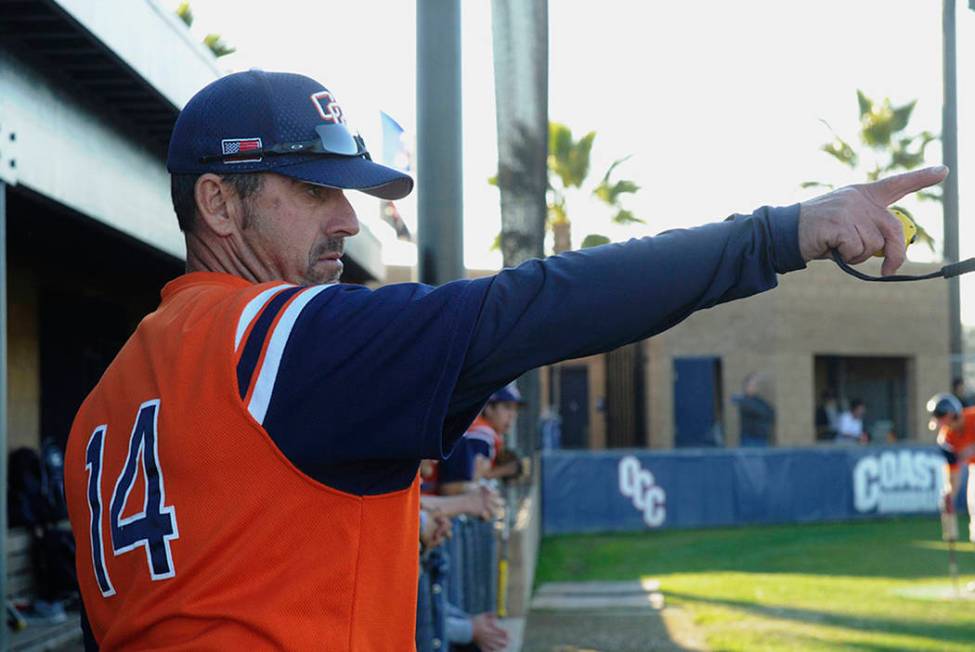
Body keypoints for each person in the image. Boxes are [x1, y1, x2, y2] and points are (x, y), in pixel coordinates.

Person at [60, 68, 947, 650]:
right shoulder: (278, 336)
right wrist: (780, 234)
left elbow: (243, 550)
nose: (347, 220)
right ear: (218, 202)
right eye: (315, 190)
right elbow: (535, 305)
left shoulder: (105, 401)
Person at [439, 383, 523, 494]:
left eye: (515, 409)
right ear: (489, 408)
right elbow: (464, 481)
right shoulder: (482, 436)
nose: (512, 415)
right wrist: (504, 470)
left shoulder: (482, 431)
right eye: (507, 407)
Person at [928, 393, 975, 544]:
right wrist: (950, 495)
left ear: (949, 415)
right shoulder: (947, 439)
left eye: (940, 419)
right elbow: (953, 474)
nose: (940, 425)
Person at [731, 373, 775, 447]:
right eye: (751, 385)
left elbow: (770, 412)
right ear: (745, 387)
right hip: (749, 439)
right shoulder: (744, 400)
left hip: (762, 438)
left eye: (755, 385)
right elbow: (758, 411)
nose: (754, 387)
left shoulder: (759, 400)